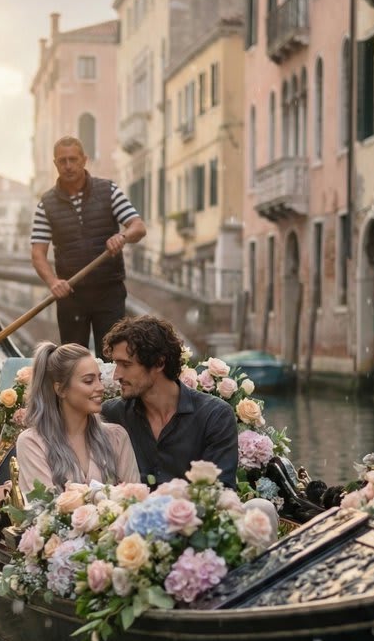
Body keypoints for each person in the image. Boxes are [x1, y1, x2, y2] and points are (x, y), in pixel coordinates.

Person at [30, 136, 147, 358]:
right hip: (71, 295)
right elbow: (38, 254)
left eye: (73, 159)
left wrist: (122, 237)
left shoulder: (108, 191)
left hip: (109, 290)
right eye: (62, 161)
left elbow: (138, 227)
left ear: (84, 160)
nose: (68, 166)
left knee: (114, 356)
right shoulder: (46, 204)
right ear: (55, 164)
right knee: (73, 361)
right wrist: (53, 282)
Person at [100, 315, 239, 488]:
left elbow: (221, 491)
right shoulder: (111, 414)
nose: (116, 375)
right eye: (116, 364)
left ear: (159, 363)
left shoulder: (215, 416)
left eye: (126, 365)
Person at [15, 341, 140, 495]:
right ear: (60, 389)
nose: (100, 387)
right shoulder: (32, 443)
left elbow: (135, 503)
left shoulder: (117, 437)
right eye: (88, 381)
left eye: (99, 379)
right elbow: (42, 512)